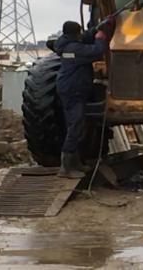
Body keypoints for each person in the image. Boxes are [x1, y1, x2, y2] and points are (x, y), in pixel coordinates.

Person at [54, 20, 109, 179]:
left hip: (70, 88)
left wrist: (95, 29)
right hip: (73, 90)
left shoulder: (66, 45)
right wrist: (99, 38)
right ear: (75, 34)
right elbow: (96, 52)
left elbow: (84, 38)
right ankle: (66, 167)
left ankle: (75, 162)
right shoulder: (74, 49)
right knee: (76, 124)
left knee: (75, 125)